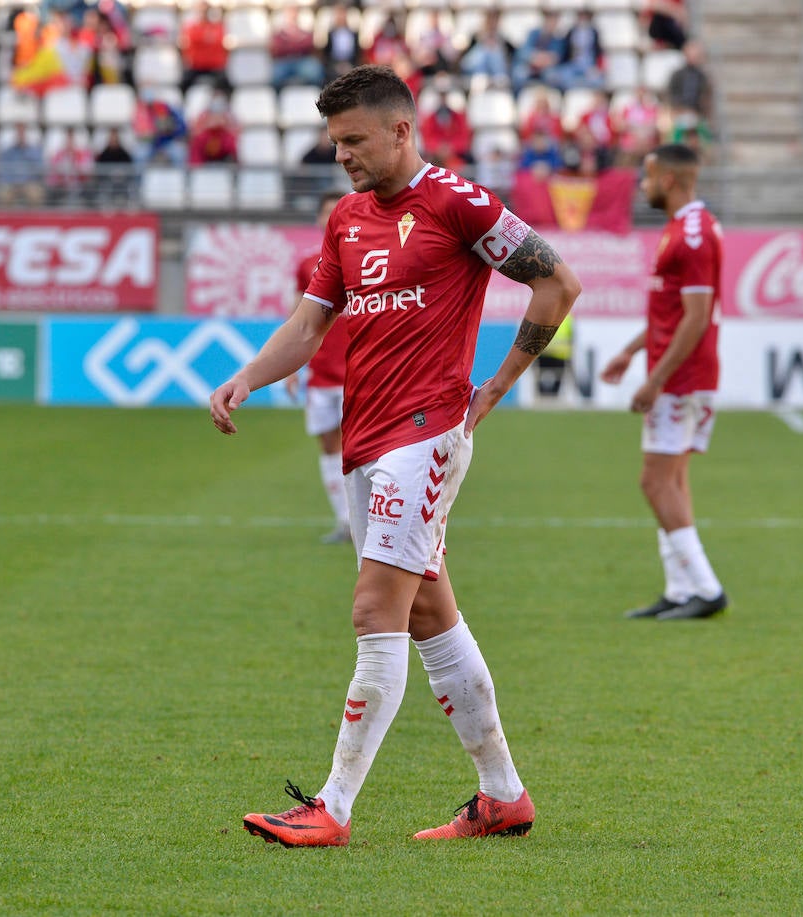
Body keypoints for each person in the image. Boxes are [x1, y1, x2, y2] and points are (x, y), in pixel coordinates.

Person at [211, 65, 580, 847]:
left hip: (426, 433)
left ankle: (332, 806)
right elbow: (310, 325)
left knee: (374, 608)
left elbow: (557, 283)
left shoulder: (458, 203)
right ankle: (503, 795)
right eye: (334, 141)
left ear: (401, 130)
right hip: (366, 438)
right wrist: (247, 377)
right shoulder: (346, 218)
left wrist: (497, 386)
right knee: (427, 613)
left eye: (353, 139)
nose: (341, 154)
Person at [599, 144, 728, 621]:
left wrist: (654, 380)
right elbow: (672, 313)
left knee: (655, 481)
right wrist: (632, 350)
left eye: (648, 176)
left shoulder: (692, 236)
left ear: (669, 180)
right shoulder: (686, 227)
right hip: (684, 375)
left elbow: (695, 319)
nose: (643, 185)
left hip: (683, 379)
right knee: (672, 479)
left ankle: (707, 588)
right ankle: (679, 590)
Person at [285, 192, 353, 545]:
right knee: (329, 446)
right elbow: (299, 318)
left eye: (335, 212)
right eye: (325, 212)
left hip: (360, 372)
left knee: (361, 448)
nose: (330, 218)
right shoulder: (307, 264)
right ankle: (345, 520)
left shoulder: (366, 256)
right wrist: (291, 366)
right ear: (317, 219)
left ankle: (370, 521)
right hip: (322, 374)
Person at [0, 126, 45, 207]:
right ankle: (6, 215)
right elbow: (4, 171)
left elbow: (38, 170)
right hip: (12, 184)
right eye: (19, 133)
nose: (20, 136)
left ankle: (33, 215)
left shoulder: (33, 152)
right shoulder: (8, 152)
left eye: (22, 133)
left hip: (29, 184)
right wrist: (12, 182)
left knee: (35, 195)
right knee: (4, 194)